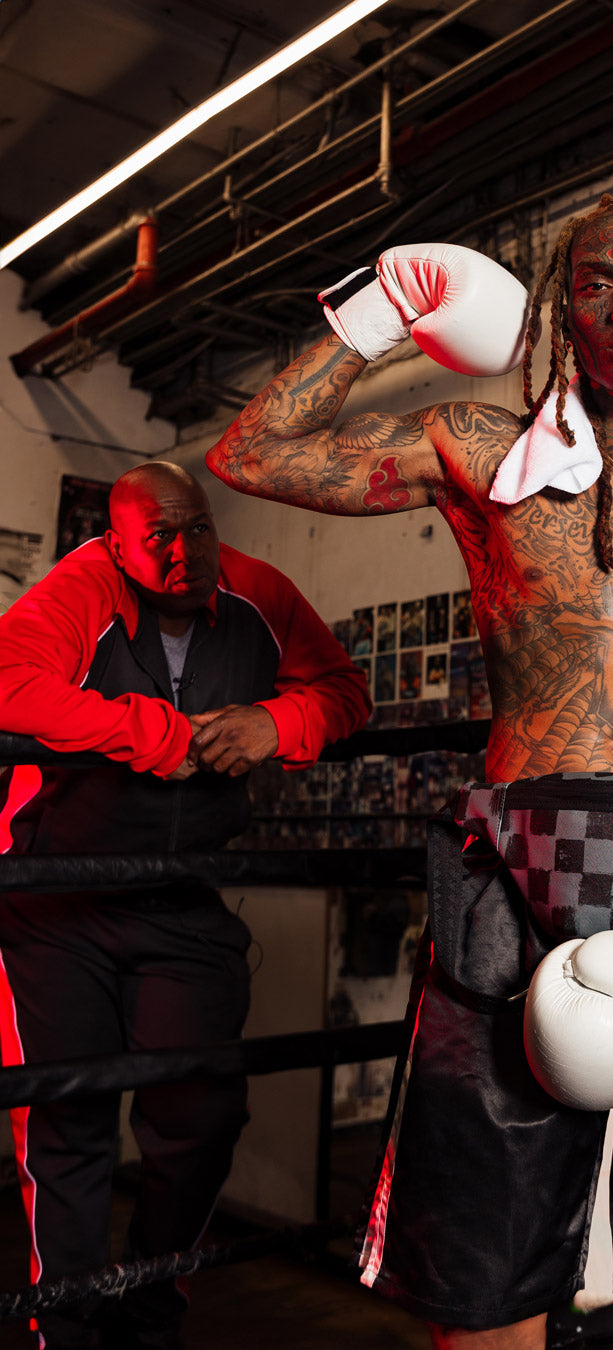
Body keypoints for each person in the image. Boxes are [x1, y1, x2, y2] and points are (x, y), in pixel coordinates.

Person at [206, 192, 613, 1349]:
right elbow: (251, 451)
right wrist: (383, 309)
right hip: (513, 880)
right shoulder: (484, 454)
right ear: (563, 307)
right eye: (596, 282)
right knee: (480, 1282)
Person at [0, 462, 371, 1350]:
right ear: (116, 545)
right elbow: (8, 679)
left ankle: (149, 1312)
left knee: (201, 1116)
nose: (182, 552)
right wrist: (148, 732)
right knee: (67, 1123)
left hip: (182, 896)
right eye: (157, 537)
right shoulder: (82, 588)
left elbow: (345, 692)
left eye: (196, 528)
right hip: (59, 898)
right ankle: (69, 1334)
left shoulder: (256, 593)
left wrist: (278, 724)